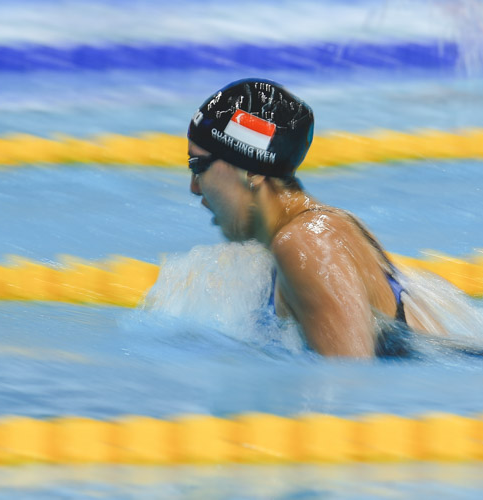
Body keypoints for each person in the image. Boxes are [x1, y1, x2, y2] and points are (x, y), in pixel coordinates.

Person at [187, 78, 443, 358]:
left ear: (252, 171)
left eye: (198, 166)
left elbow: (350, 384)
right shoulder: (316, 230)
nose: (194, 186)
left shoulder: (305, 242)